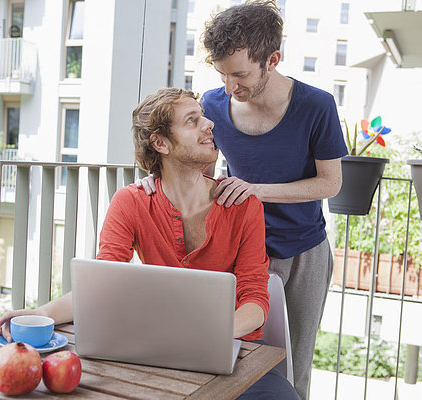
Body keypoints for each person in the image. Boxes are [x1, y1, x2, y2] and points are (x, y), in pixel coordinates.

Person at [0, 88, 298, 399]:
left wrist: (208, 336)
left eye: (204, 117)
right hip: (158, 348)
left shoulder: (242, 205)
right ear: (161, 143)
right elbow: (104, 282)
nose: (209, 125)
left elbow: (255, 301)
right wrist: (40, 314)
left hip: (232, 346)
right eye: (192, 121)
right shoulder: (131, 202)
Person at [137, 2, 347, 399]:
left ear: (272, 59)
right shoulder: (213, 106)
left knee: (292, 370)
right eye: (222, 74)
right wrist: (156, 176)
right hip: (236, 253)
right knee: (228, 357)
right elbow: (191, 162)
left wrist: (255, 190)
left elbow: (330, 183)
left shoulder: (316, 106)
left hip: (303, 253)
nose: (230, 86)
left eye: (240, 74)